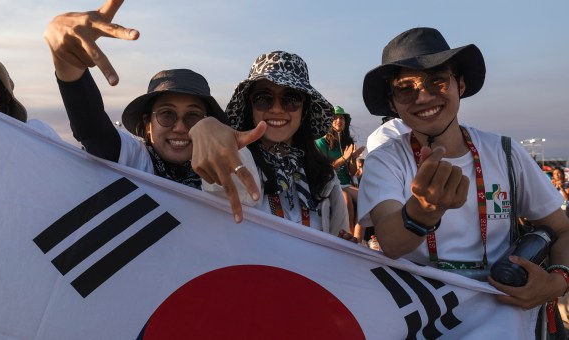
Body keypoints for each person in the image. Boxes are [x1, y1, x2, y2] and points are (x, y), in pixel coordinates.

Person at [356, 27, 569, 327]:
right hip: (420, 321)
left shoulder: (506, 153)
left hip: (505, 320)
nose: (424, 96)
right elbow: (390, 241)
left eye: (438, 81)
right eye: (406, 87)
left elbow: (562, 229)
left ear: (461, 84)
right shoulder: (385, 160)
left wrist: (558, 281)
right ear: (392, 103)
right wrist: (422, 213)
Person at [44, 0, 226, 189]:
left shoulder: (229, 178)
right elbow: (92, 130)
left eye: (193, 116)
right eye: (167, 114)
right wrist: (66, 60)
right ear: (147, 126)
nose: (180, 127)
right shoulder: (133, 161)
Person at [197, 51, 348, 236]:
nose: (276, 108)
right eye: (263, 99)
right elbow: (217, 182)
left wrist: (346, 244)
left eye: (291, 99)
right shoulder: (237, 161)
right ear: (249, 107)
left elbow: (340, 242)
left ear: (305, 110)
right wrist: (206, 128)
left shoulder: (325, 176)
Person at [315, 106, 365, 231]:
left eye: (341, 118)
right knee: (346, 199)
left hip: (346, 184)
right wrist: (344, 158)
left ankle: (357, 238)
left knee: (366, 198)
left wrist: (353, 158)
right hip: (329, 184)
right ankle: (346, 238)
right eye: (335, 118)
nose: (339, 120)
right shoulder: (321, 142)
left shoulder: (347, 142)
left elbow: (352, 172)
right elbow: (325, 169)